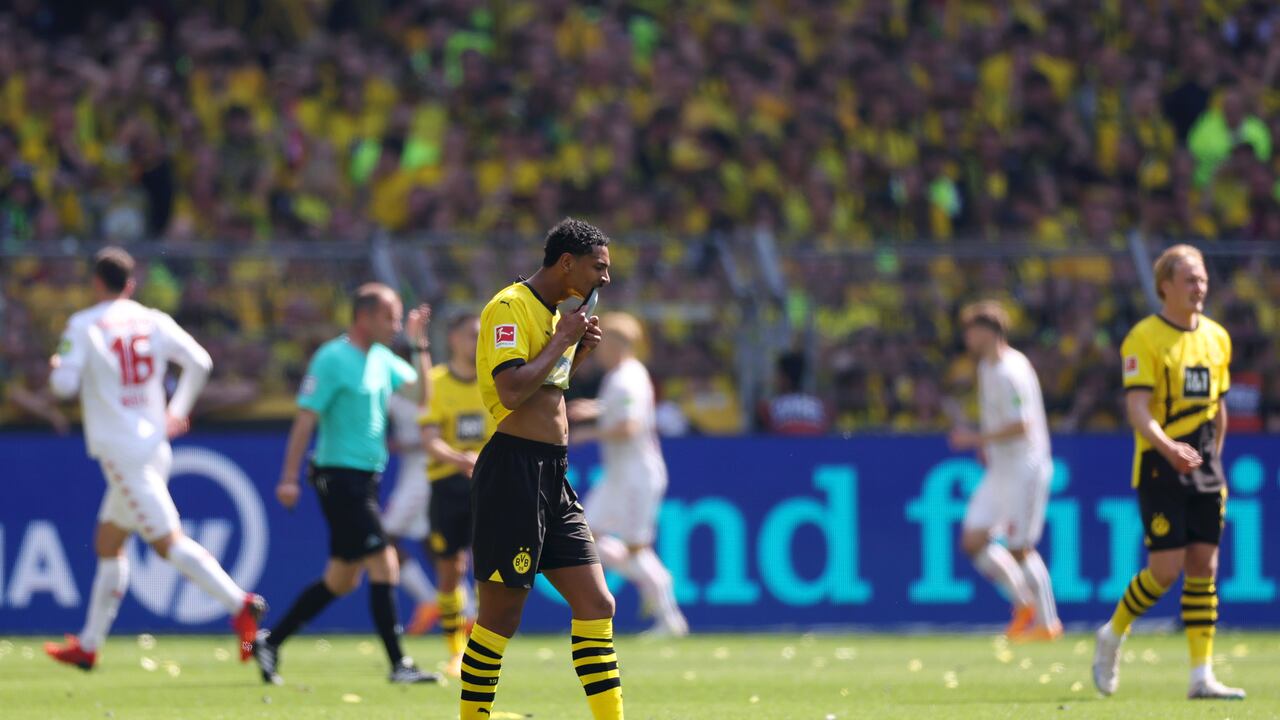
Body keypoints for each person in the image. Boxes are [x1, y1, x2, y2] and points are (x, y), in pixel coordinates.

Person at [44, 247, 266, 671]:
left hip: (122, 453)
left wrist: (58, 366)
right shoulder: (153, 320)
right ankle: (88, 646)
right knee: (109, 543)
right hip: (153, 445)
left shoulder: (84, 324)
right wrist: (177, 410)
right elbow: (200, 361)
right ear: (130, 284)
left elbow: (63, 387)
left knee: (168, 543)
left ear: (96, 283)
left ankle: (240, 603)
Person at [461, 218, 621, 720]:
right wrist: (563, 340)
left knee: (598, 603)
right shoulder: (508, 306)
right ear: (567, 262)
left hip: (553, 473)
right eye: (600, 267)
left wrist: (576, 353)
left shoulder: (556, 316)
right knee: (500, 616)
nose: (606, 279)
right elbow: (510, 392)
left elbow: (546, 391)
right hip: (512, 472)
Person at [253, 283, 438, 685]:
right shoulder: (332, 358)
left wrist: (419, 344)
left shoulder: (381, 358)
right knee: (384, 560)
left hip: (366, 479)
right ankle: (398, 665)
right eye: (389, 317)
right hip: (338, 477)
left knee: (341, 579)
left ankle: (270, 642)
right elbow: (306, 419)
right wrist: (288, 477)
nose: (394, 325)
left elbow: (423, 394)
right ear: (364, 316)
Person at [1093, 245, 1245, 700]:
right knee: (1164, 569)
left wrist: (1215, 464)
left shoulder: (1217, 337)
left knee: (1205, 566)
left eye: (1202, 279)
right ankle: (1113, 633)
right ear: (1165, 286)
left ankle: (1201, 675)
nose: (1199, 287)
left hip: (1204, 468)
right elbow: (1137, 408)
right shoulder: (1144, 338)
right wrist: (1167, 447)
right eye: (1189, 280)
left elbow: (1216, 408)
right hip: (1161, 465)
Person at [568, 312, 688, 636]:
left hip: (637, 475)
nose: (599, 348)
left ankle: (668, 615)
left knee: (635, 548)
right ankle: (655, 580)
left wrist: (587, 433)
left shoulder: (628, 378)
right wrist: (594, 408)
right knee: (586, 536)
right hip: (618, 474)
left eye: (604, 341)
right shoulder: (619, 376)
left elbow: (629, 425)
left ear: (620, 343)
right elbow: (618, 411)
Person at [948, 300, 1060, 641]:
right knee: (973, 539)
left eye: (971, 330)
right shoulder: (986, 367)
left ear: (988, 332)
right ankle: (1023, 604)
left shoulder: (1010, 371)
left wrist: (974, 438)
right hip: (1001, 468)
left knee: (1019, 547)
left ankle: (1047, 623)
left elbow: (1022, 425)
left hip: (1025, 468)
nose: (966, 338)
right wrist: (988, 446)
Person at [417, 312, 494, 677]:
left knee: (485, 570)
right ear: (454, 340)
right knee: (450, 570)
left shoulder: (495, 380)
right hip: (447, 485)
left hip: (487, 484)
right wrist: (461, 458)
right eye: (471, 335)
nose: (477, 341)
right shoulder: (436, 382)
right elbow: (429, 440)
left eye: (481, 335)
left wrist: (484, 460)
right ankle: (455, 650)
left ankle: (480, 649)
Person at [382, 372, 441, 635]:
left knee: (383, 538)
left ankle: (429, 599)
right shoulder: (392, 394)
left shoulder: (435, 387)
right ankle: (466, 610)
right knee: (431, 542)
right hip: (412, 473)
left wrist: (404, 444)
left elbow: (439, 433)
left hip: (424, 475)